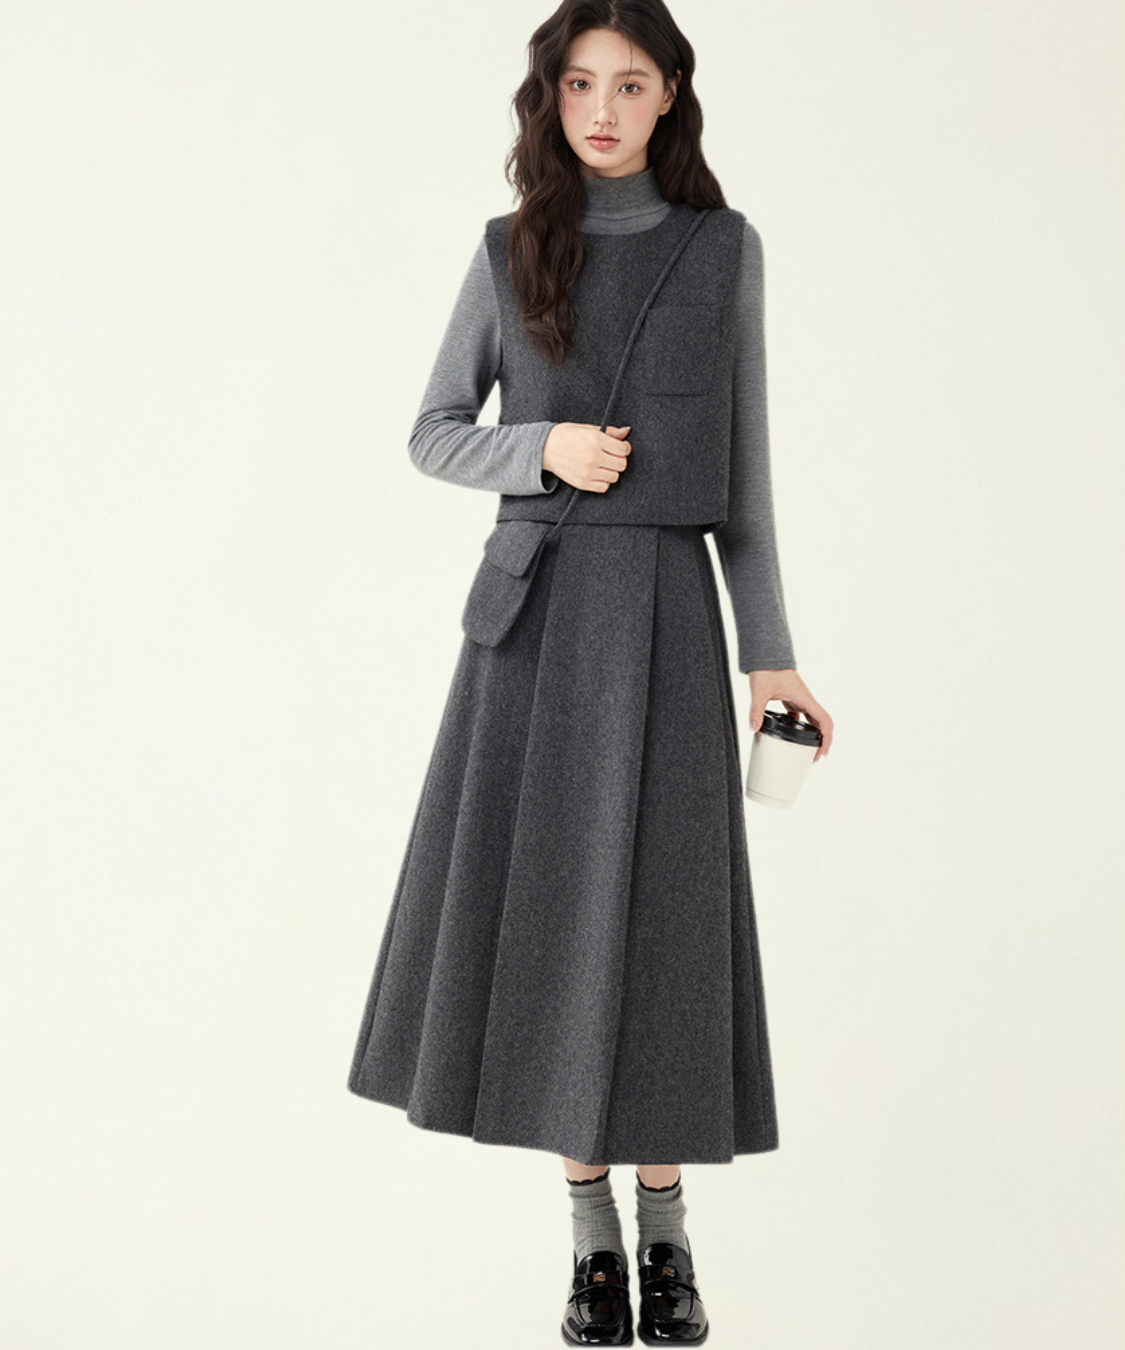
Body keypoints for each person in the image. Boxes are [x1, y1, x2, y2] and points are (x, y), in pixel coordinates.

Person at [347, 3, 833, 1343]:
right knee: (556, 917)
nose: (602, 109)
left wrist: (771, 657)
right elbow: (434, 432)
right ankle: (589, 1238)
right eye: (577, 84)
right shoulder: (509, 251)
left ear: (671, 94)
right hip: (537, 629)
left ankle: (665, 1225)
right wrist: (543, 449)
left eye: (629, 84)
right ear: (549, 98)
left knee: (664, 922)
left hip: (670, 623)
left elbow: (746, 483)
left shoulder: (723, 250)